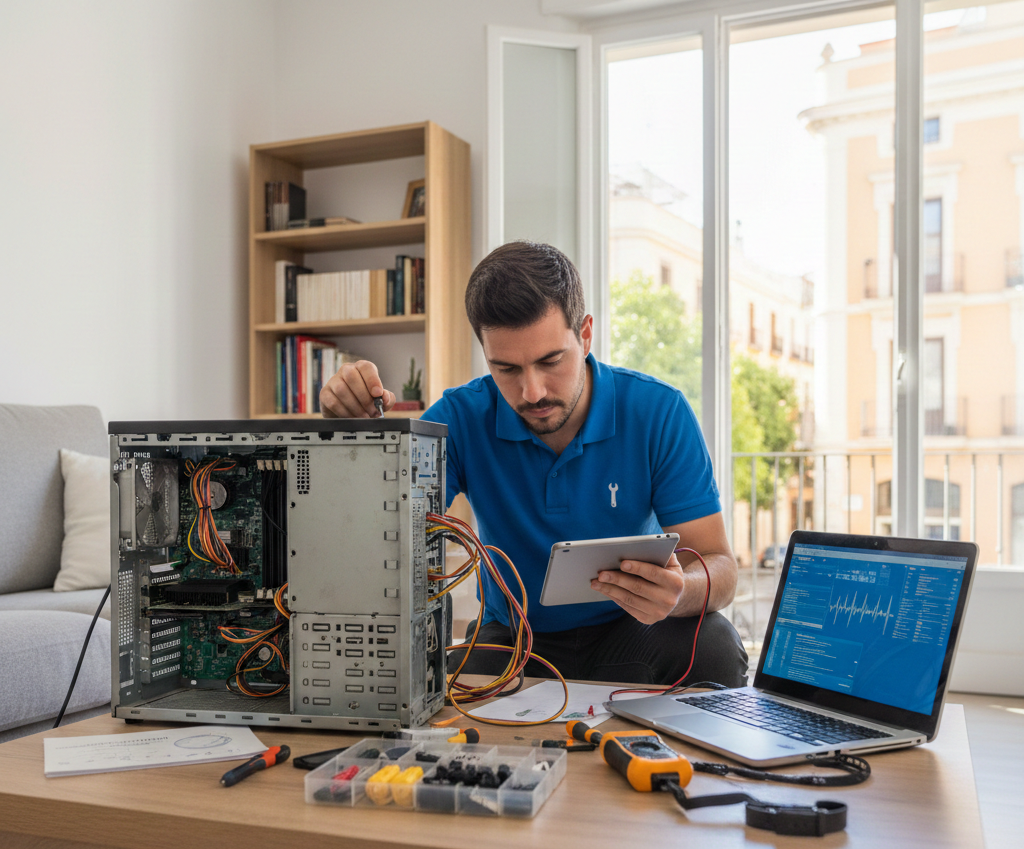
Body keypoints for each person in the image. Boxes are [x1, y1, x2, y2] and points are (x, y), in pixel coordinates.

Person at [320, 241, 748, 688]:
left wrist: (679, 594)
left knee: (715, 645)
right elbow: (375, 534)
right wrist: (353, 440)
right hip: (513, 638)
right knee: (436, 695)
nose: (532, 392)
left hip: (633, 630)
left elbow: (720, 566)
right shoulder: (459, 418)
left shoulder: (658, 411)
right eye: (506, 368)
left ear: (585, 335)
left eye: (550, 361)